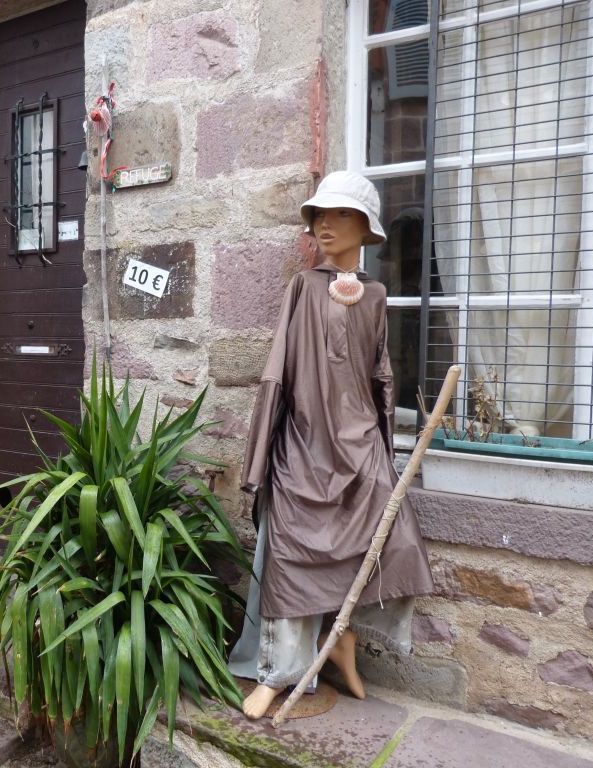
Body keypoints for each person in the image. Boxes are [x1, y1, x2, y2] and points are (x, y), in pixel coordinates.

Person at [228, 171, 434, 719]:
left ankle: (343, 641)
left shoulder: (376, 295)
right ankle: (279, 673)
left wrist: (382, 450)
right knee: (292, 554)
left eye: (340, 213)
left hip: (359, 446)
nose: (324, 223)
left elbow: (381, 375)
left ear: (365, 227)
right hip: (303, 445)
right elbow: (277, 371)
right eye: (319, 213)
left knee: (390, 541)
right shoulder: (302, 287)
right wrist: (261, 458)